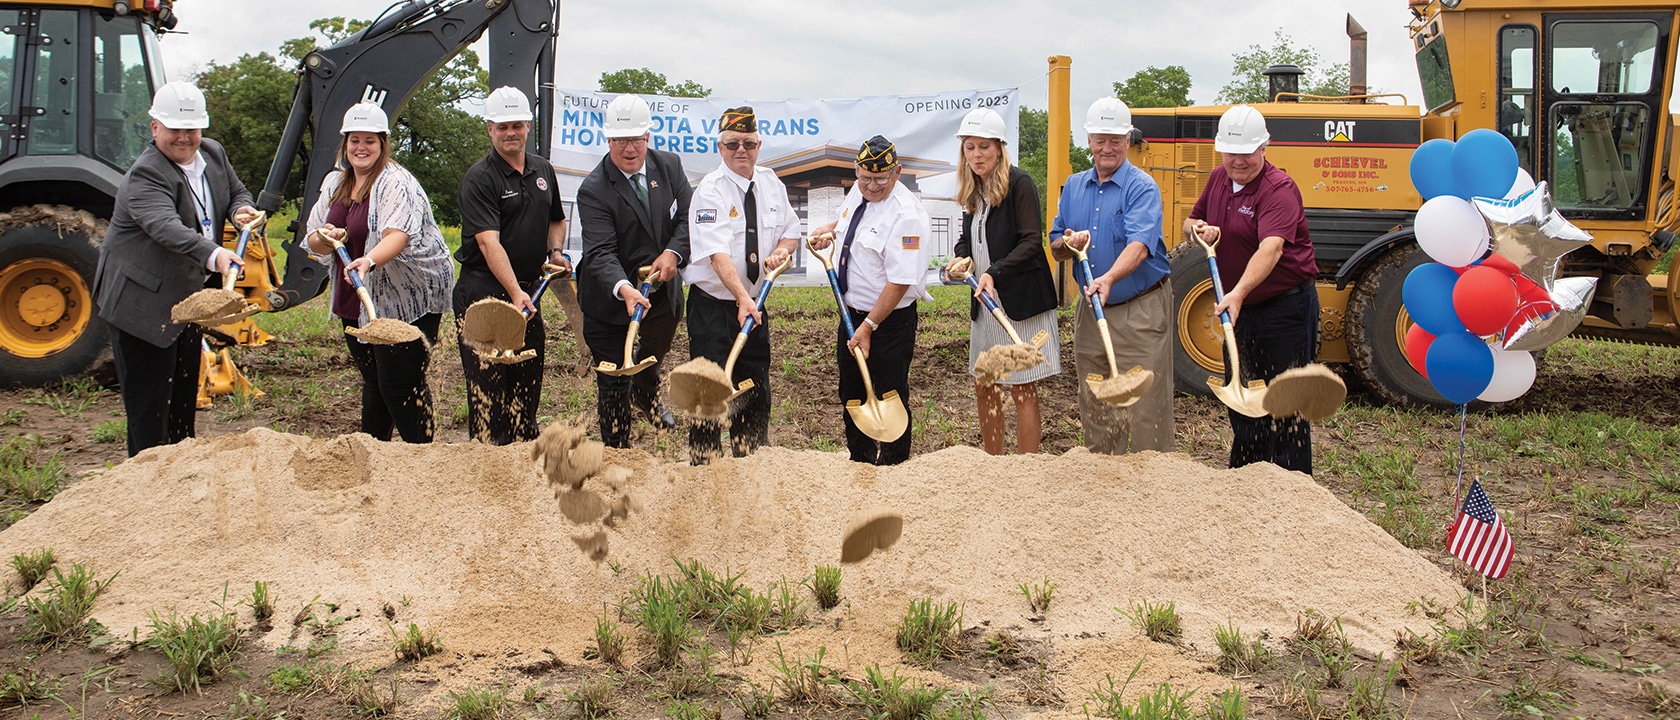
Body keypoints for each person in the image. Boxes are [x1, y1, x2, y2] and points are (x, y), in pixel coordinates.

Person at [94, 81, 258, 457]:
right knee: (150, 411)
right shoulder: (145, 175)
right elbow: (166, 227)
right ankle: (147, 487)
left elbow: (237, 192)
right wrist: (215, 254)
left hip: (187, 301)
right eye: (174, 129)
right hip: (142, 304)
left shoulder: (213, 154)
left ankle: (180, 479)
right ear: (155, 128)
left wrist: (240, 211)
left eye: (192, 129)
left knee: (183, 399)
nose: (184, 138)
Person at [303, 102, 453, 443]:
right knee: (373, 377)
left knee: (400, 382)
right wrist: (327, 238)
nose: (361, 147)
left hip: (409, 294)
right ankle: (373, 450)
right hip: (356, 292)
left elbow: (397, 235)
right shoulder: (335, 183)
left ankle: (422, 455)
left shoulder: (395, 182)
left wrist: (368, 260)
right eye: (355, 139)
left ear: (383, 143)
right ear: (345, 144)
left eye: (370, 140)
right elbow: (313, 238)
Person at [1185, 105, 1319, 474]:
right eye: (1231, 153)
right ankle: (1246, 482)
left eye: (1247, 153)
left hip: (1283, 310)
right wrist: (1199, 230)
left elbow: (1271, 248)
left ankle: (1291, 488)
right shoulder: (1217, 179)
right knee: (1242, 396)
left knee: (1284, 403)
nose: (1238, 161)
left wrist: (1239, 292)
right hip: (1240, 308)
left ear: (1264, 148)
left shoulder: (1279, 189)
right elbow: (1190, 221)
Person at [1048, 97, 1174, 455]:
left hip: (1140, 307)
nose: (1107, 148)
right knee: (1097, 399)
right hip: (1092, 308)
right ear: (1088, 140)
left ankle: (1154, 486)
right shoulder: (1073, 187)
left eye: (1115, 140)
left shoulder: (1142, 186)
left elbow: (1140, 245)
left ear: (1128, 140)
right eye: (1100, 139)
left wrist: (1109, 278)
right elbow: (1056, 243)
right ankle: (1105, 483)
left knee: (1147, 406)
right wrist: (1068, 243)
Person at [684, 107, 800, 464]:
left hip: (753, 304)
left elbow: (790, 231)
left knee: (753, 387)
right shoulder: (710, 191)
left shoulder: (771, 183)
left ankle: (749, 463)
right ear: (720, 147)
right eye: (733, 143)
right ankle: (704, 468)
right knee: (709, 391)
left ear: (759, 145)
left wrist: (781, 251)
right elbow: (717, 254)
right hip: (714, 308)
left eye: (748, 143)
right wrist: (740, 298)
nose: (741, 150)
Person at [455, 86, 570, 445]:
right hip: (485, 293)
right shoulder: (480, 179)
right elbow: (489, 243)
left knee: (526, 379)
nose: (510, 133)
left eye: (517, 125)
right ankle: (487, 465)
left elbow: (556, 220)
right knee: (489, 388)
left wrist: (554, 253)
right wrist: (515, 292)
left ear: (528, 126)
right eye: (502, 126)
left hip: (528, 291)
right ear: (489, 129)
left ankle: (522, 460)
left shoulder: (542, 169)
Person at [809, 136, 931, 466]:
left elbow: (900, 280)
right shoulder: (859, 190)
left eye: (881, 179)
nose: (872, 186)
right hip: (851, 315)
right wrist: (831, 229)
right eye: (865, 177)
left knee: (889, 394)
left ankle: (894, 466)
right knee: (851, 391)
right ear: (856, 171)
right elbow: (853, 221)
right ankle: (859, 462)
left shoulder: (907, 216)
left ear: (898, 172)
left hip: (889, 322)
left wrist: (869, 326)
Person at [943, 108, 1059, 455]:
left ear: (999, 148)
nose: (976, 155)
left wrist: (994, 272)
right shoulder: (972, 190)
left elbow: (1030, 240)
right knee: (985, 384)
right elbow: (968, 240)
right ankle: (994, 465)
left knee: (1022, 388)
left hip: (1020, 304)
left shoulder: (1019, 182)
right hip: (986, 304)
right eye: (969, 148)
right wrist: (962, 258)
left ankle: (1025, 469)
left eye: (984, 147)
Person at [577, 94, 690, 448]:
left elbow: (690, 215)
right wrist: (625, 288)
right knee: (613, 380)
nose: (630, 149)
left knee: (651, 356)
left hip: (662, 292)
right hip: (610, 300)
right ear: (608, 140)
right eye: (621, 141)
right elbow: (600, 252)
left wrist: (672, 252)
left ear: (648, 138)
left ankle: (646, 391)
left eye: (636, 139)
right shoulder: (593, 190)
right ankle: (617, 451)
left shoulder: (668, 166)